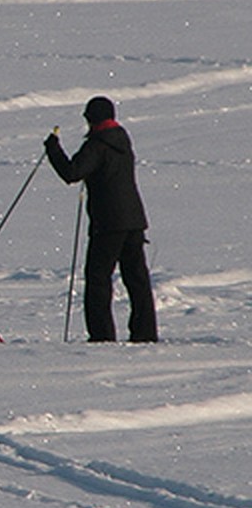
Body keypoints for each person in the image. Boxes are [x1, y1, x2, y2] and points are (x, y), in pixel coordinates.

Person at [44, 96, 158, 343]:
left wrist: (53, 149)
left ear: (91, 119)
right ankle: (145, 334)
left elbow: (72, 173)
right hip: (134, 220)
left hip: (109, 223)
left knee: (98, 280)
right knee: (136, 279)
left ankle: (102, 337)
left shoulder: (98, 145)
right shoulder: (122, 140)